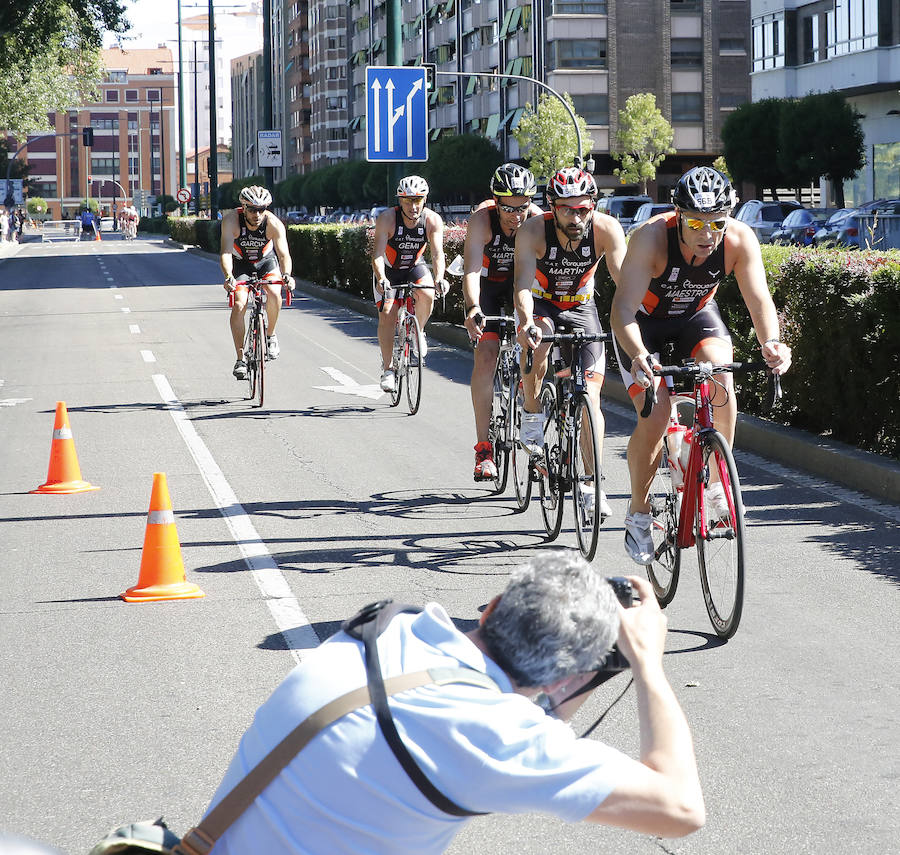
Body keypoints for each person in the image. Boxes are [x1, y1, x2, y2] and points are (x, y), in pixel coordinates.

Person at [204, 551, 704, 854]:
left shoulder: (383, 627)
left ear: (492, 608)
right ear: (563, 678)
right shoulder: (493, 736)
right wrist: (646, 664)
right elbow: (681, 809)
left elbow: (506, 707)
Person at [610, 166, 793, 565]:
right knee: (657, 414)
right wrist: (640, 355)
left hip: (695, 316)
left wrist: (772, 343)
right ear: (677, 216)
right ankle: (639, 514)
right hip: (642, 325)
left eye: (717, 223)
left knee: (720, 375)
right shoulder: (651, 238)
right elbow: (621, 311)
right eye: (695, 222)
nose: (707, 234)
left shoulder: (739, 240)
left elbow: (759, 301)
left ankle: (712, 483)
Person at [514, 167, 627, 519]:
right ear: (552, 206)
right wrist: (527, 322)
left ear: (593, 205)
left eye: (583, 209)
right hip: (542, 303)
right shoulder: (533, 230)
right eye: (567, 209)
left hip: (581, 306)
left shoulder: (606, 229)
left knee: (592, 401)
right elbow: (521, 285)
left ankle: (593, 484)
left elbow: (626, 286)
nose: (576, 217)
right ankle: (532, 414)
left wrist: (635, 326)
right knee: (539, 343)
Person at [462, 163, 543, 480]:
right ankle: (484, 449)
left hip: (522, 288)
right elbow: (470, 272)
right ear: (496, 203)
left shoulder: (536, 220)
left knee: (535, 346)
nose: (516, 215)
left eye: (522, 207)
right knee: (485, 357)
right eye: (508, 208)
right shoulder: (482, 220)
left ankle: (530, 399)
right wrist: (472, 309)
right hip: (488, 289)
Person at [371, 175, 447, 393]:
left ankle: (418, 331)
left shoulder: (431, 220)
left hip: (414, 266)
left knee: (428, 293)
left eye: (418, 200)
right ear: (399, 201)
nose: (413, 206)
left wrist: (440, 277)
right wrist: (381, 278)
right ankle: (388, 370)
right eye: (407, 201)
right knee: (387, 313)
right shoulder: (387, 218)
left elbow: (437, 254)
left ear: (425, 199)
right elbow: (377, 255)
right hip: (389, 271)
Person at [220, 185, 294, 380]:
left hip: (266, 261)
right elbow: (226, 252)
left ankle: (270, 335)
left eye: (262, 209)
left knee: (274, 292)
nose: (257, 214)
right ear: (243, 207)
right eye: (252, 209)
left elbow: (284, 254)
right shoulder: (231, 221)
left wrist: (287, 275)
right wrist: (229, 277)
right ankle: (240, 358)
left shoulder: (274, 223)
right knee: (239, 303)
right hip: (241, 263)